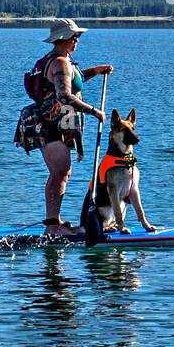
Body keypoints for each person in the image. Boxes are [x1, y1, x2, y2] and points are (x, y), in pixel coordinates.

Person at [32, 18, 113, 231]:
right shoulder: (59, 62)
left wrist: (97, 70)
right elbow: (65, 95)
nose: (77, 40)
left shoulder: (64, 60)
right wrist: (94, 111)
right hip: (51, 125)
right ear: (62, 39)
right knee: (60, 172)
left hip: (57, 123)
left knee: (61, 173)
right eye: (73, 37)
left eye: (77, 36)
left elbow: (74, 80)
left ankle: (53, 222)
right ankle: (52, 226)